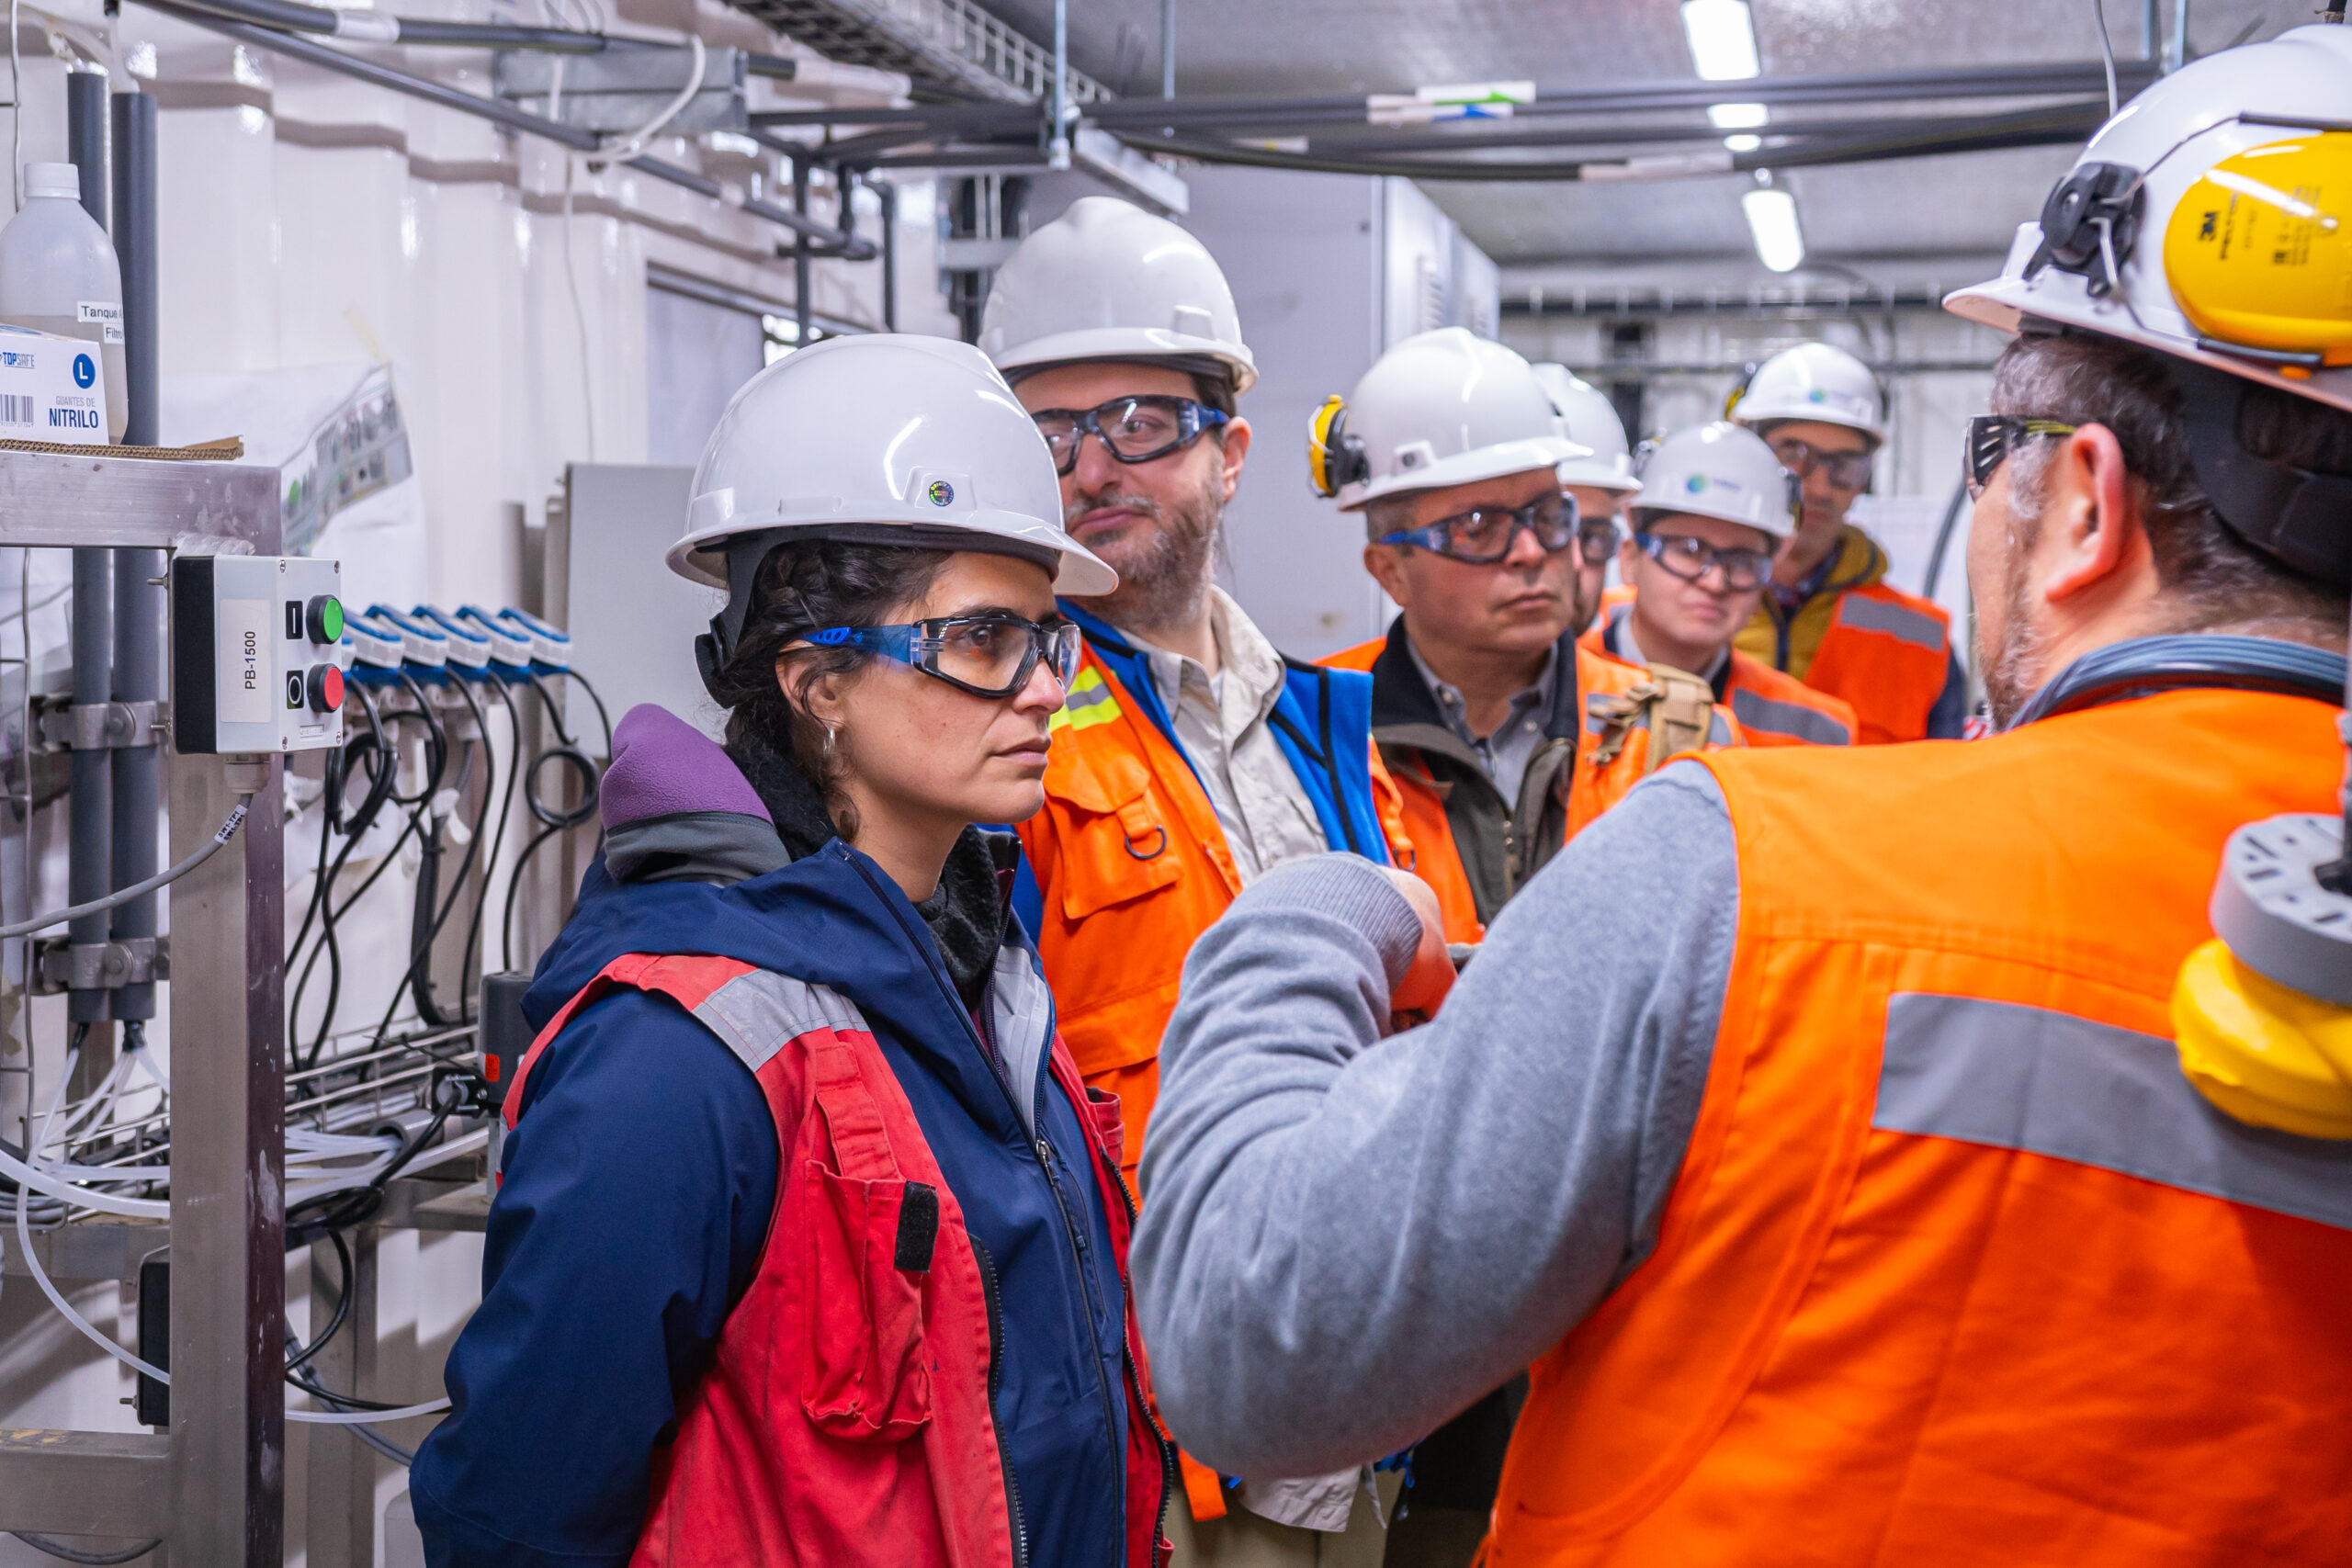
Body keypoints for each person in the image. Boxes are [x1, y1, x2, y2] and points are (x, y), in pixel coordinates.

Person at [1128, 25, 2352, 1564]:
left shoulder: (1748, 860)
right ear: (1387, 557)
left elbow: (1253, 1346)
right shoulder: (1345, 721)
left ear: (2085, 504)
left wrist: (1303, 919)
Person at [413, 335, 1175, 1568]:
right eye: (984, 639)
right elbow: (520, 1512)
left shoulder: (984, 966)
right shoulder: (675, 1052)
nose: (1043, 689)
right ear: (819, 680)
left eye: (1046, 636)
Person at [978, 195, 1413, 1562]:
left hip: (1365, 1387)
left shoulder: (1321, 724)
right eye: (1052, 433)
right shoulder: (990, 733)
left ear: (1231, 452)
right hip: (1163, 1435)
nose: (1095, 464)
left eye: (1143, 422)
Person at [1320, 330, 1736, 950]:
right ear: (1390, 570)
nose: (1530, 551)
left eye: (1547, 517)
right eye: (1477, 527)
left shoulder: (1683, 733)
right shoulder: (1318, 735)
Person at [1728, 340, 1969, 741]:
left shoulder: (1923, 643)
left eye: (1844, 466)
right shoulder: (1674, 607)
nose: (1820, 487)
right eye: (1795, 456)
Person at [1588, 423, 1859, 748]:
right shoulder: (1554, 688)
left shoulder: (1814, 730)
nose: (1715, 582)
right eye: (1689, 550)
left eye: (1742, 561)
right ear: (1630, 558)